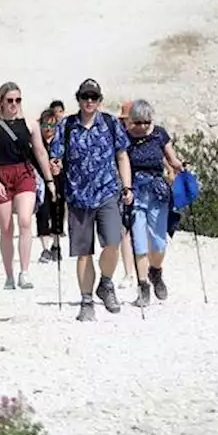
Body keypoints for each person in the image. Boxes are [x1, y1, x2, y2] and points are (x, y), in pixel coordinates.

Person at [49, 79, 133, 322]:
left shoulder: (110, 124)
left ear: (100, 100)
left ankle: (105, 283)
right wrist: (55, 166)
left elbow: (122, 156)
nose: (89, 101)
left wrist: (127, 186)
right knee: (84, 252)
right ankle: (86, 301)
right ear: (78, 99)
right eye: (85, 96)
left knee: (113, 242)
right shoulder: (67, 126)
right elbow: (56, 156)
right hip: (78, 197)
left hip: (107, 192)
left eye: (93, 97)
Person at [0, 82, 55, 290]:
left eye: (17, 100)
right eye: (10, 100)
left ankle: (24, 272)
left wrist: (50, 180)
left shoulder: (30, 124)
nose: (14, 104)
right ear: (2, 101)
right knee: (6, 229)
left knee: (25, 221)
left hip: (24, 173)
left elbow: (41, 152)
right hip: (3, 173)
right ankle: (9, 274)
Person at [124, 99, 187, 307]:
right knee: (139, 241)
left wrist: (180, 167)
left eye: (145, 122)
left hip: (157, 193)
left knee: (159, 242)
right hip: (136, 193)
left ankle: (155, 272)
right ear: (131, 121)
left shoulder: (159, 134)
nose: (141, 127)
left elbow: (172, 159)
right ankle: (143, 287)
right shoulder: (125, 138)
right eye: (137, 122)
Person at [36, 109, 65, 263]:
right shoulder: (36, 141)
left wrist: (60, 164)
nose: (48, 128)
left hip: (59, 181)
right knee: (42, 213)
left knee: (58, 212)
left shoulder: (61, 141)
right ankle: (45, 248)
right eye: (45, 124)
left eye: (52, 125)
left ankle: (56, 244)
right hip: (41, 182)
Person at [116, 99, 137, 288]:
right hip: (124, 186)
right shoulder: (119, 136)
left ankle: (142, 271)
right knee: (125, 231)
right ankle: (128, 273)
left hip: (142, 185)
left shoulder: (144, 136)